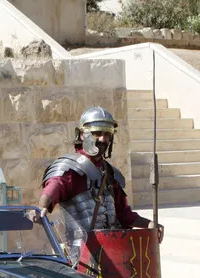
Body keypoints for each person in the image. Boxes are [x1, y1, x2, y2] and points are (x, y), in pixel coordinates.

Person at [37, 105, 163, 260]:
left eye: (107, 134)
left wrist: (149, 224)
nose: (103, 139)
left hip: (112, 254)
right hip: (81, 256)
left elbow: (123, 214)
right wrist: (42, 205)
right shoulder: (69, 168)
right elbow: (55, 186)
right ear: (83, 135)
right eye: (97, 133)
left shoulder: (111, 173)